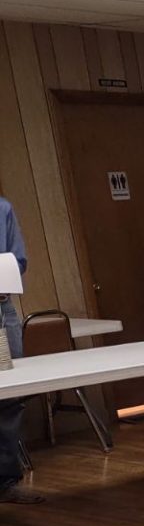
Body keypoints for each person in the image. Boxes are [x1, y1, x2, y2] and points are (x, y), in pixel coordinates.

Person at [0, 194, 40, 505]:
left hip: (3, 308)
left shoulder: (3, 208)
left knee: (10, 394)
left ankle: (7, 479)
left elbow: (19, 259)